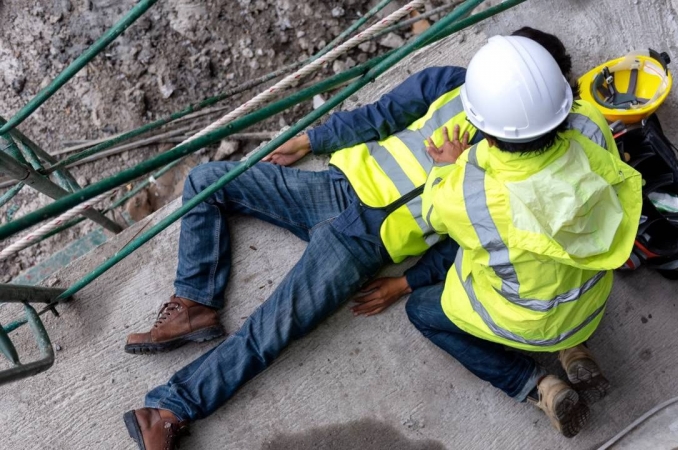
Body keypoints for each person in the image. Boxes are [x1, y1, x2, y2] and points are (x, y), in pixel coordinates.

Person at [121, 28, 576, 450]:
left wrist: (408, 282)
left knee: (269, 332)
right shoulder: (450, 83)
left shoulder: (520, 165)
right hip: (333, 188)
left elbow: (473, 242)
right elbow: (379, 116)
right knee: (206, 180)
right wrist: (312, 141)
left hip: (366, 242)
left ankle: (169, 411)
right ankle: (195, 304)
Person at [404, 35, 643, 438]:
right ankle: (572, 350)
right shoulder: (592, 125)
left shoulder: (469, 190)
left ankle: (541, 387)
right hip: (590, 299)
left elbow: (433, 216)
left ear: (484, 131)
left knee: (421, 312)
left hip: (525, 320)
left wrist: (448, 165)